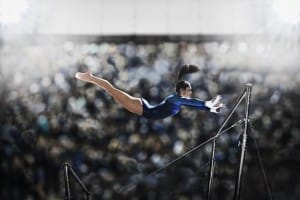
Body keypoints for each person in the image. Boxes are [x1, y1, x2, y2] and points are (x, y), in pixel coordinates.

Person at [75, 64, 224, 120]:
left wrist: (210, 108)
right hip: (143, 109)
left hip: (144, 108)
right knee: (112, 91)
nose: (191, 92)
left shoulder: (178, 100)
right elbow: (191, 102)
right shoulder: (175, 99)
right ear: (181, 90)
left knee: (113, 93)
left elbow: (191, 104)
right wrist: (207, 104)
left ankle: (90, 77)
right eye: (189, 90)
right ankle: (89, 77)